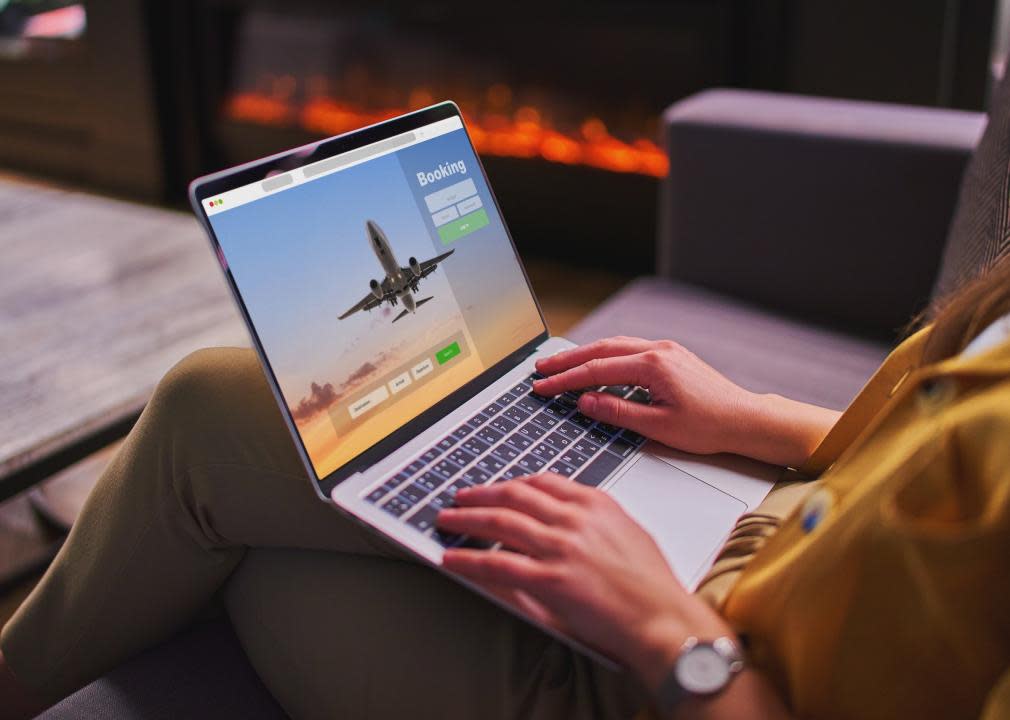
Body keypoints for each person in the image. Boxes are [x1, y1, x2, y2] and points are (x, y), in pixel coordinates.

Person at [0, 244, 1008, 719]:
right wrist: (748, 419)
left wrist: (671, 637)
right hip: (761, 529)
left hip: (696, 683)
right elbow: (931, 457)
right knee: (226, 410)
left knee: (244, 517)